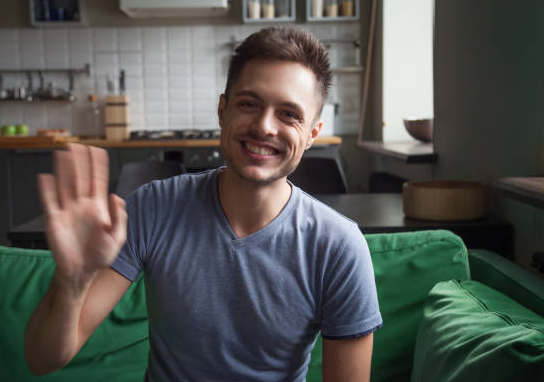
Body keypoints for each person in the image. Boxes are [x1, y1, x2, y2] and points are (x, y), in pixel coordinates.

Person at [24, 26, 382, 382]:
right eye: (249, 104)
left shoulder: (340, 247)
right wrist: (71, 279)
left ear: (312, 135)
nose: (264, 127)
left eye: (289, 114)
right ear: (222, 110)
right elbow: (43, 359)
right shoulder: (154, 207)